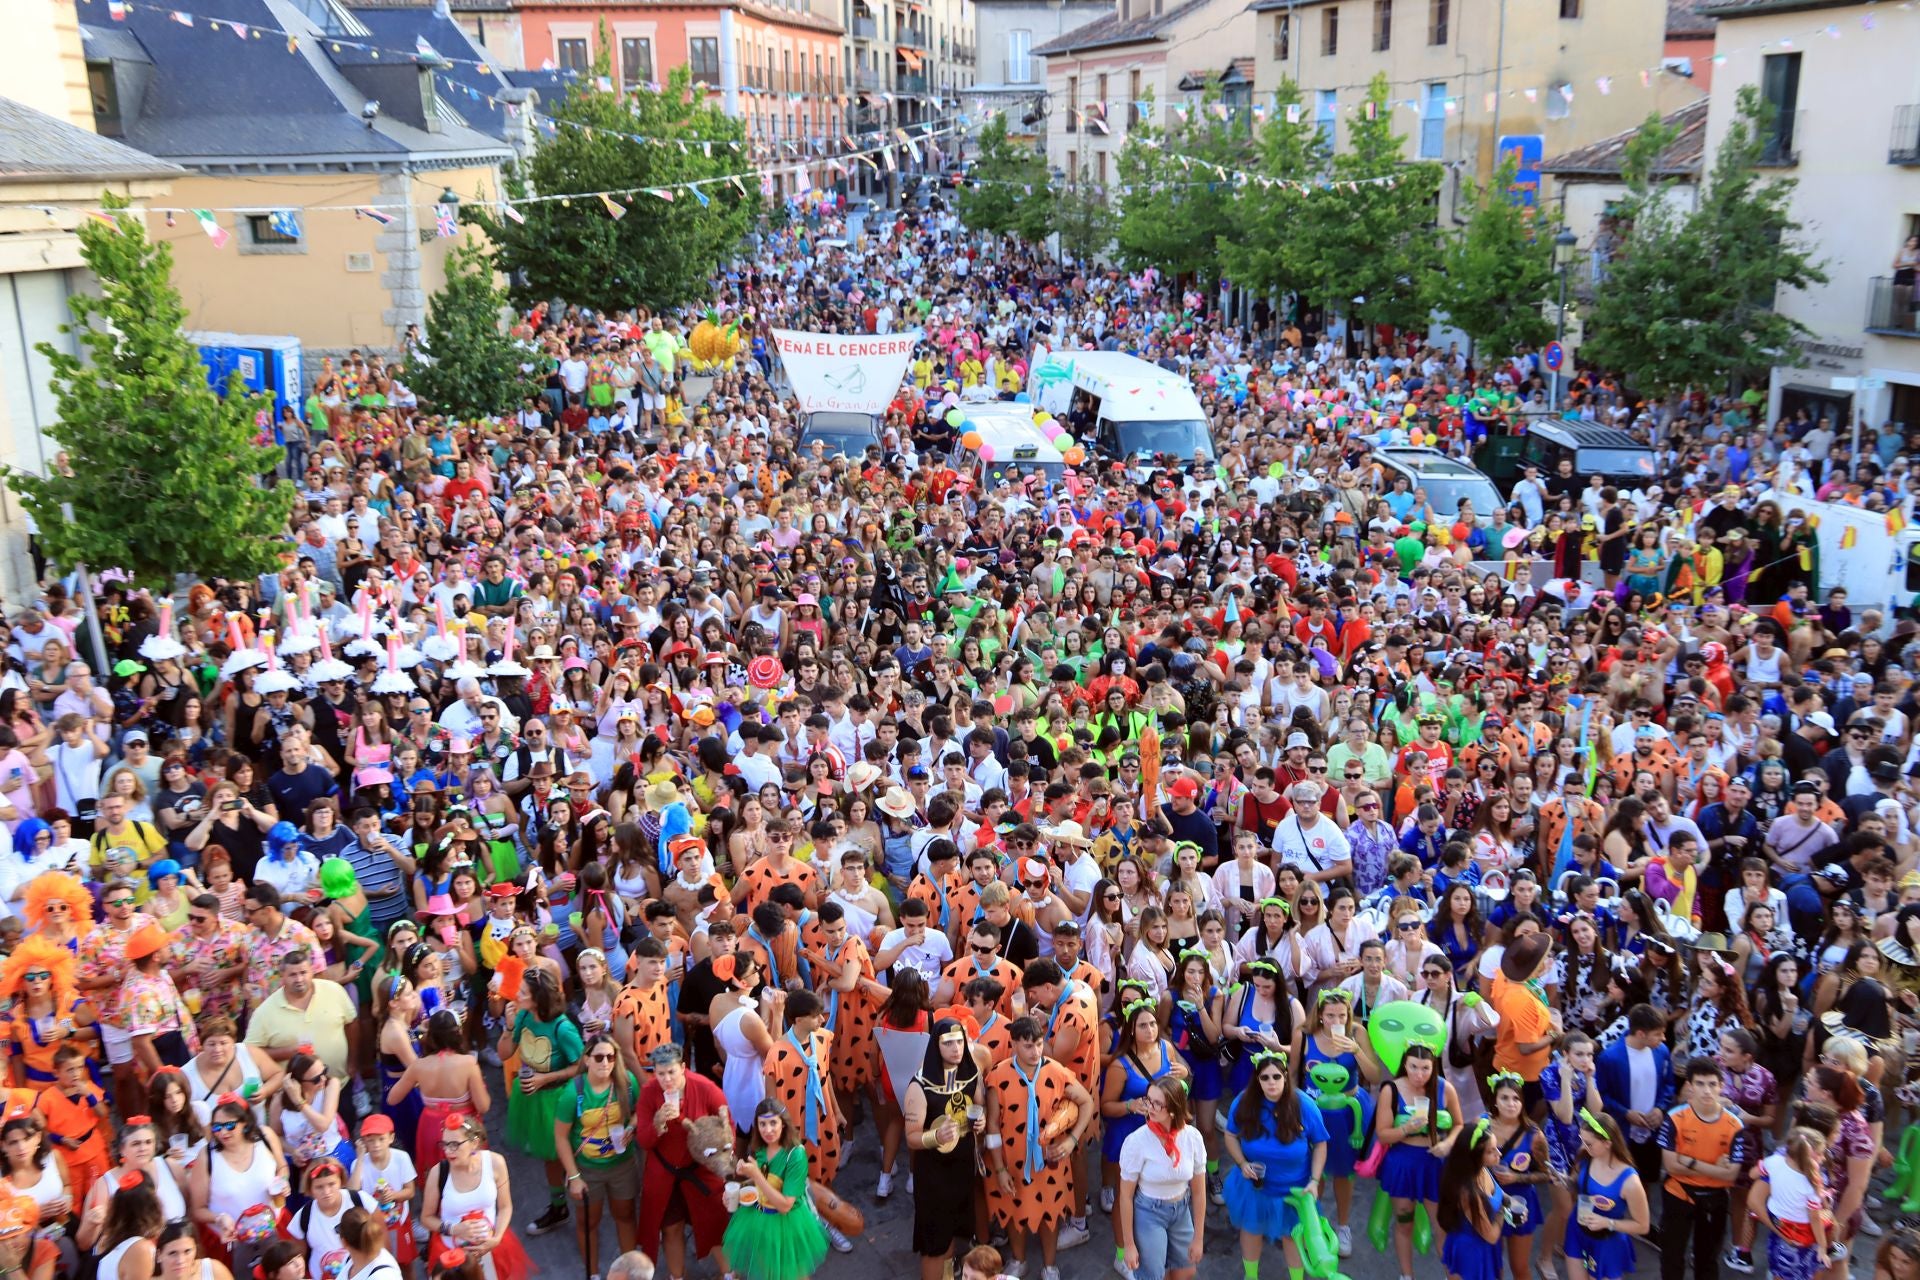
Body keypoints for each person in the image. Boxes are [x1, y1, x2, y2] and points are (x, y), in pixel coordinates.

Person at [983, 1015, 1094, 1280]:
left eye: (1039, 1044)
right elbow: (993, 1128)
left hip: (1050, 1158)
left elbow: (1087, 1102)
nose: (1035, 1052)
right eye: (1027, 1046)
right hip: (1012, 1159)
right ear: (1014, 1044)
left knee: (1051, 1213)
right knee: (1014, 1209)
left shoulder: (1056, 1071)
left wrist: (1072, 1139)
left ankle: (1050, 1265)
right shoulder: (998, 1076)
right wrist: (999, 1168)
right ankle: (1019, 1260)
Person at [1219, 1048, 1328, 1280]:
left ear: (1286, 1076)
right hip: (1255, 1187)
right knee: (1251, 1229)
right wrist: (1241, 1163)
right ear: (1257, 1080)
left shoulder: (1304, 1105)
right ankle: (1251, 1276)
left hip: (1294, 1190)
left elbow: (1320, 1143)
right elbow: (1230, 1135)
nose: (1271, 1083)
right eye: (1265, 1077)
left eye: (1276, 1076)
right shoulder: (1244, 1102)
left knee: (1293, 1236)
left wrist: (1315, 1180)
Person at [632, 1045, 730, 1280]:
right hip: (664, 1172)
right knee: (670, 1227)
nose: (666, 1079)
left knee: (714, 1224)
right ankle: (677, 1276)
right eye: (660, 1073)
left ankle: (729, 1274)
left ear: (684, 1068)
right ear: (653, 1072)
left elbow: (728, 1131)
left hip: (700, 1170)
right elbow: (644, 1141)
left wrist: (716, 1149)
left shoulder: (705, 1088)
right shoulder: (648, 1092)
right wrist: (656, 1125)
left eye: (672, 1072)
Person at [495, 968, 580, 1237]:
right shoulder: (521, 1016)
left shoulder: (562, 1028)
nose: (516, 995)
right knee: (547, 1155)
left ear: (538, 998)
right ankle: (559, 1206)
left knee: (561, 1153)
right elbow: (504, 1053)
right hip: (530, 1097)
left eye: (523, 992)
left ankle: (582, 1197)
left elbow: (581, 1065)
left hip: (556, 1098)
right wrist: (509, 1028)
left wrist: (546, 1079)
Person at [904, 1018, 985, 1280]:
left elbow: (979, 1104)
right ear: (935, 1046)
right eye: (948, 1042)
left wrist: (980, 1121)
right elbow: (911, 1137)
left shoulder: (971, 1074)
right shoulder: (920, 1085)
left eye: (959, 1041)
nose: (955, 1048)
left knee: (952, 1234)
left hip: (962, 1169)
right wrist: (936, 1136)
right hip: (933, 1175)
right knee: (934, 1244)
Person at [553, 1034, 639, 1280]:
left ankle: (630, 1274)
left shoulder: (627, 1082)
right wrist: (575, 1177)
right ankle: (593, 1274)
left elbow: (640, 1112)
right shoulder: (574, 1092)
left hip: (622, 1165)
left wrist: (631, 1128)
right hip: (587, 1170)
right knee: (588, 1223)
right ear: (587, 1059)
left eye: (610, 1057)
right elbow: (560, 1137)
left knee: (625, 1217)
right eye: (599, 1057)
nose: (605, 1063)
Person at [1377, 1043, 1465, 1280]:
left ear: (1433, 1066)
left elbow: (1459, 1124)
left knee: (1442, 1227)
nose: (1419, 1074)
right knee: (1404, 1222)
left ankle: (1453, 1276)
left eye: (1425, 1068)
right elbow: (1383, 1134)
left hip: (1435, 1165)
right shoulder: (1391, 1090)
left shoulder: (1445, 1089)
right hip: (1403, 1165)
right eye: (1413, 1067)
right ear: (1404, 1064)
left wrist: (1448, 1144)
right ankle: (1407, 1275)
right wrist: (1406, 1128)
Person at [721, 1099, 829, 1280]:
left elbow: (786, 1205)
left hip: (789, 1225)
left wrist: (755, 1175)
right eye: (762, 1124)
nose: (768, 1130)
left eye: (773, 1123)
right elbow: (762, 1185)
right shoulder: (761, 1149)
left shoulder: (796, 1155)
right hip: (760, 1220)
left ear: (784, 1124)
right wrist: (737, 1193)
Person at [188, 1095, 289, 1279]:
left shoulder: (265, 1137)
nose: (222, 1132)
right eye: (216, 1127)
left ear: (245, 1122)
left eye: (229, 1126)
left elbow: (282, 1166)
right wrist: (219, 1218)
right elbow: (197, 1209)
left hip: (275, 1229)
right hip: (232, 1243)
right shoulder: (207, 1157)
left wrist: (282, 1181)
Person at [1116, 1076, 1207, 1280]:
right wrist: (1129, 1245)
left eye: (1158, 1103)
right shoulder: (1136, 1142)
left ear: (1174, 1108)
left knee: (1187, 1270)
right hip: (1149, 1212)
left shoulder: (1192, 1138)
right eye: (1149, 1100)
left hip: (1181, 1210)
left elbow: (1199, 1193)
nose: (1150, 1107)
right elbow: (1125, 1196)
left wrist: (1198, 1238)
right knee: (1153, 1275)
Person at [418, 1115, 528, 1280]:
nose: (448, 1151)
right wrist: (455, 1229)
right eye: (445, 1144)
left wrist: (496, 1239)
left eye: (454, 1144)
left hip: (491, 1247)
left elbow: (505, 1207)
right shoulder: (438, 1172)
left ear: (474, 1142)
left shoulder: (495, 1163)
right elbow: (426, 1218)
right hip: (452, 1254)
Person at [1564, 1108, 1651, 1280]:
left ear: (1608, 1143)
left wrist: (1607, 1222)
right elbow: (1577, 1185)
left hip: (1606, 1242)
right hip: (1577, 1229)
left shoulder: (1630, 1181)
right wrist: (1565, 1181)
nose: (1584, 1145)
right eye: (1583, 1140)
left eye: (1589, 1143)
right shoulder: (1586, 1156)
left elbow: (1643, 1225)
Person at [1436, 1118, 1510, 1280]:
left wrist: (1510, 1201)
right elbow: (1490, 1235)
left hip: (1485, 1246)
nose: (1499, 1154)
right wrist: (1505, 1211)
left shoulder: (1482, 1170)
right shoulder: (1470, 1194)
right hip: (1472, 1253)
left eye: (1496, 1148)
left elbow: (1499, 1194)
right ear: (1474, 1156)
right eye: (1491, 1151)